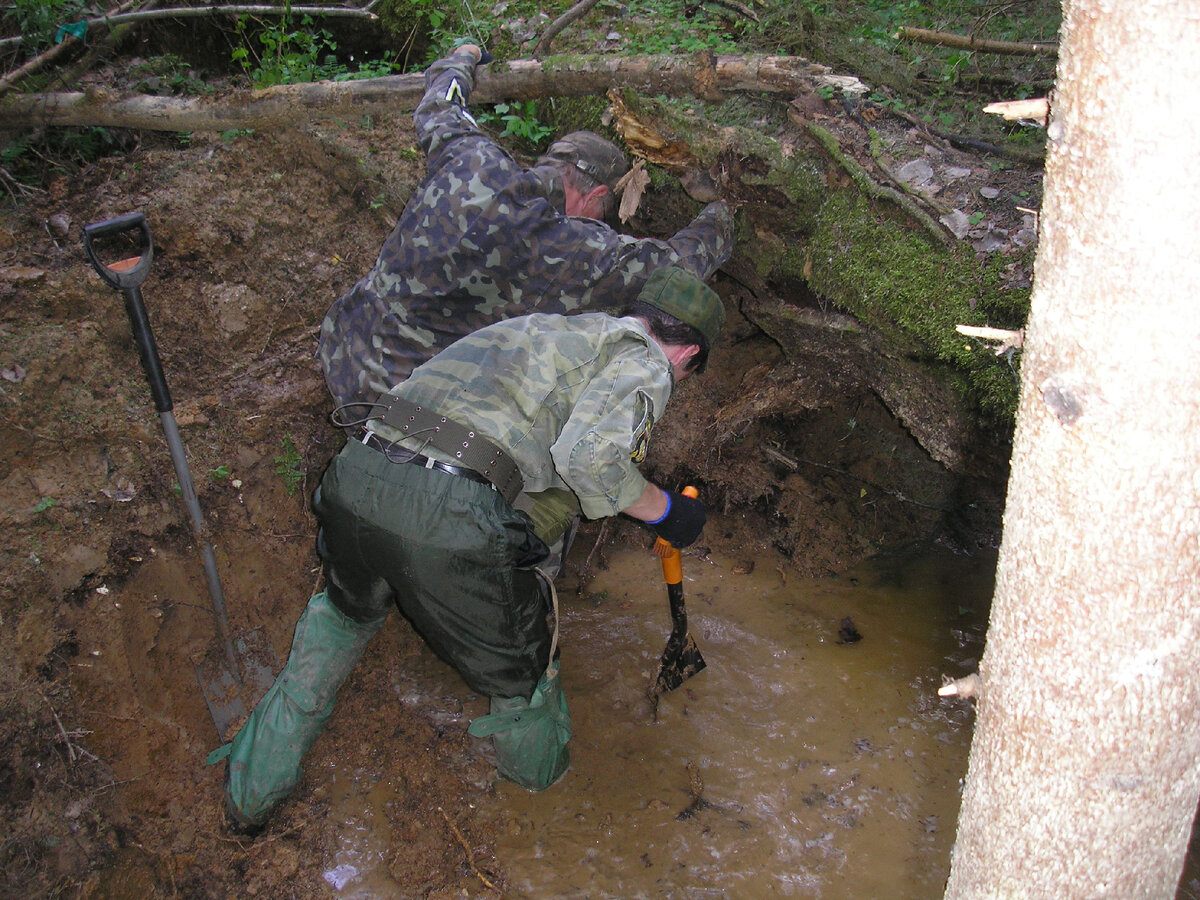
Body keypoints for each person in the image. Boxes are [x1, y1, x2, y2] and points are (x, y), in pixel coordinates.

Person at [212, 266, 724, 834]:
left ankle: (249, 795)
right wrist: (671, 513)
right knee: (524, 671)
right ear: (687, 355)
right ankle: (545, 809)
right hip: (448, 508)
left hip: (356, 473)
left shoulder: (547, 327)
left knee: (342, 617)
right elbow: (592, 461)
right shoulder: (646, 361)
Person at [317, 41, 735, 415]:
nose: (595, 226)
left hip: (340, 345)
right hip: (399, 407)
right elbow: (675, 265)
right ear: (595, 196)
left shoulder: (471, 158)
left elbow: (439, 105)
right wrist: (724, 208)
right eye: (600, 215)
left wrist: (464, 57)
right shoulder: (564, 247)